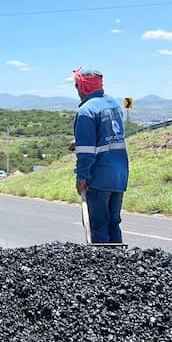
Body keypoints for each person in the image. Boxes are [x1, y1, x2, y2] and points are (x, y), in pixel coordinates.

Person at [72, 67, 129, 244]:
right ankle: (120, 264)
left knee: (98, 226)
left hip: (99, 178)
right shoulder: (114, 105)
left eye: (76, 85)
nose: (76, 90)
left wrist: (82, 177)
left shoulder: (86, 112)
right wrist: (79, 142)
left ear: (83, 87)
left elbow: (87, 153)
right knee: (113, 223)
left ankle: (104, 268)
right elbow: (107, 137)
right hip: (119, 175)